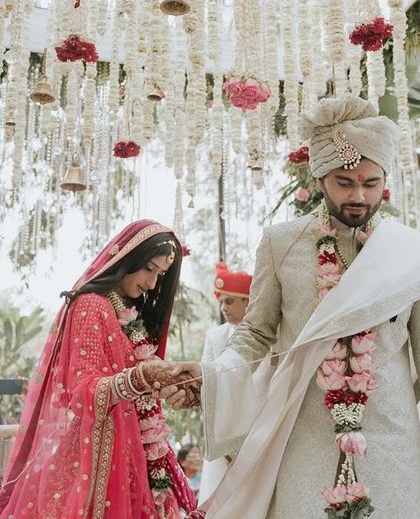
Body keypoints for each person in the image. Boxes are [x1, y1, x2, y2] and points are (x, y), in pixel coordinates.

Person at [162, 95, 420, 519]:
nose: (358, 195)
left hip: (391, 433)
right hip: (305, 427)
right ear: (320, 178)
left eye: (371, 184)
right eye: (344, 182)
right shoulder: (282, 243)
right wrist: (212, 374)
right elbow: (257, 332)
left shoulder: (407, 251)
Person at [0, 220, 196, 519]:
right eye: (149, 269)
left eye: (160, 275)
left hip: (132, 458)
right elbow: (82, 392)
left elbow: (139, 388)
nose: (153, 284)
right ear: (129, 257)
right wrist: (140, 378)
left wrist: (171, 382)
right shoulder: (92, 305)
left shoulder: (130, 318)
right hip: (95, 464)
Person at [199, 263, 274, 505]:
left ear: (247, 301)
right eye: (222, 302)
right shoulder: (215, 335)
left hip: (260, 425)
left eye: (230, 301)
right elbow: (206, 381)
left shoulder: (270, 337)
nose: (223, 308)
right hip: (223, 425)